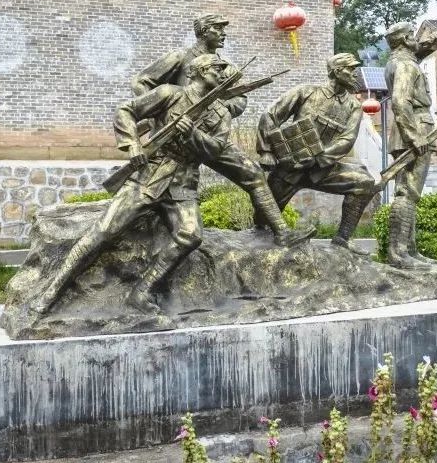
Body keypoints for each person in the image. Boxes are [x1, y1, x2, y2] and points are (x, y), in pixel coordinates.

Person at [30, 55, 310, 316]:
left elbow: (216, 148)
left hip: (183, 183)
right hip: (149, 177)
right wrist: (132, 144)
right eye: (217, 68)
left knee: (191, 234)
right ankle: (51, 291)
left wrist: (193, 134)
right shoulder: (169, 94)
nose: (221, 73)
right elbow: (126, 110)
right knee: (104, 232)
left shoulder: (221, 113)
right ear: (199, 71)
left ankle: (142, 291)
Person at [256, 53, 376, 254]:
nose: (355, 74)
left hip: (323, 169)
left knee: (364, 182)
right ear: (337, 71)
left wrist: (317, 158)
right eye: (350, 69)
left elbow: (346, 140)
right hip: (290, 168)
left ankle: (343, 239)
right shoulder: (306, 92)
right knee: (262, 220)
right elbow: (270, 115)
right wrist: (267, 151)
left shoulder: (353, 106)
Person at [383, 22, 437, 268]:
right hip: (414, 127)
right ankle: (398, 252)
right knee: (408, 192)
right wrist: (415, 136)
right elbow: (399, 101)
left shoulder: (398, 61)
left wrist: (428, 45)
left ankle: (409, 250)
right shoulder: (407, 65)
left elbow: (416, 54)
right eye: (412, 36)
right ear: (405, 40)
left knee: (408, 192)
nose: (417, 39)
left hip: (408, 128)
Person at [132, 13, 247, 118]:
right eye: (218, 28)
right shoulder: (179, 56)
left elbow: (240, 98)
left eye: (223, 29)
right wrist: (158, 114)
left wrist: (217, 108)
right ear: (204, 30)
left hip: (210, 128)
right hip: (177, 124)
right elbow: (140, 82)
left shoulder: (226, 66)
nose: (224, 33)